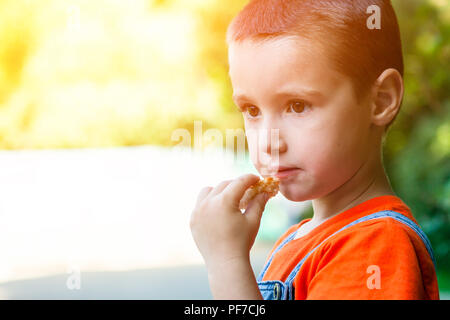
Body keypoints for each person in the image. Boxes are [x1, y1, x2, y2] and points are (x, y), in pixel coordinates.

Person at [189, 0, 439, 300]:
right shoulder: (298, 240)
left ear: (381, 100)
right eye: (252, 110)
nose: (269, 142)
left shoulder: (375, 244)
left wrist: (226, 263)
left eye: (297, 106)